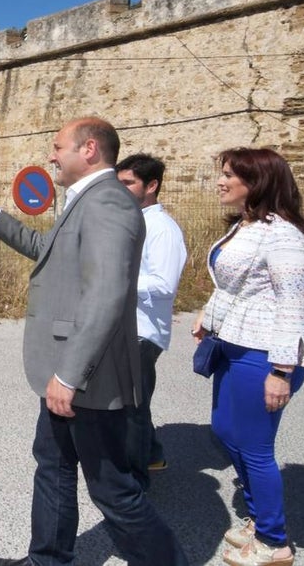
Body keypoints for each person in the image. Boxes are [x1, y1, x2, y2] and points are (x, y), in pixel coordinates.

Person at [0, 117, 188, 566]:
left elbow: (106, 294)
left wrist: (69, 374)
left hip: (83, 377)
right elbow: (47, 252)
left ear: (90, 149)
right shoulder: (87, 201)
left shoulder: (108, 204)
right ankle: (48, 560)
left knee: (113, 492)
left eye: (58, 147)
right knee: (53, 467)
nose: (51, 156)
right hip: (63, 369)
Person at [193, 148, 304, 566]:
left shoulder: (283, 235)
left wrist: (282, 371)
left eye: (230, 175)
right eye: (222, 173)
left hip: (264, 355)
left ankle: (273, 540)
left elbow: (292, 307)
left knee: (256, 448)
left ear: (257, 182)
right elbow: (234, 288)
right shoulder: (246, 227)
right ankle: (259, 516)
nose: (221, 181)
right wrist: (209, 319)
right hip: (233, 346)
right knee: (226, 432)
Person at [115, 153, 188, 489]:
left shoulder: (162, 229)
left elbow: (164, 285)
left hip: (144, 333)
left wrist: (116, 280)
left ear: (152, 185)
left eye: (129, 182)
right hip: (127, 328)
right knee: (135, 401)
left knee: (130, 408)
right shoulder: (132, 221)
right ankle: (153, 454)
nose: (122, 188)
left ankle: (135, 485)